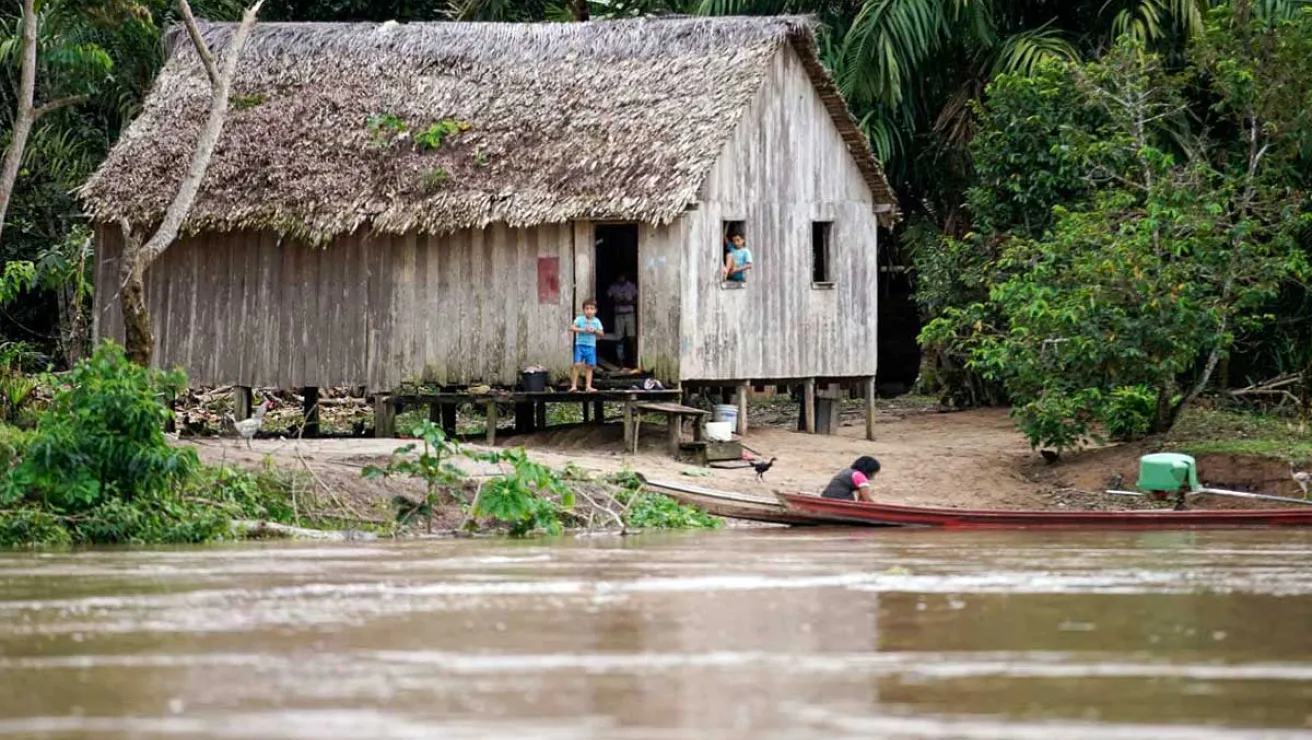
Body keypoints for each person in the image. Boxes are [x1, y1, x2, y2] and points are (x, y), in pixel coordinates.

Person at [569, 298, 604, 392]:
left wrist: (594, 331)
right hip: (580, 345)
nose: (589, 311)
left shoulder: (596, 321)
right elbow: (572, 328)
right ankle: (573, 386)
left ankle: (588, 386)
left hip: (591, 346)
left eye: (591, 309)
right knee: (577, 365)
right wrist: (582, 330)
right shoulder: (579, 319)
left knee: (590, 366)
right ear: (584, 310)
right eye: (587, 308)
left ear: (595, 310)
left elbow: (601, 333)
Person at [606, 274, 637, 367]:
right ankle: (621, 361)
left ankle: (634, 360)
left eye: (622, 276)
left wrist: (629, 302)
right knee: (619, 338)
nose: (621, 278)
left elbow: (637, 298)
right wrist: (617, 302)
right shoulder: (613, 287)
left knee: (631, 337)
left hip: (629, 314)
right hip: (618, 314)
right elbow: (607, 298)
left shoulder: (631, 286)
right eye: (619, 276)